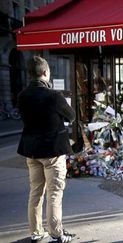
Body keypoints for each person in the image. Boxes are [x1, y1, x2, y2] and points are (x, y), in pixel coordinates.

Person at [17, 56, 77, 243]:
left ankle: (36, 232)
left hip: (31, 151)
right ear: (44, 72)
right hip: (52, 151)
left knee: (35, 191)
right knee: (54, 192)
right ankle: (56, 233)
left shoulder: (22, 96)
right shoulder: (53, 95)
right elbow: (71, 116)